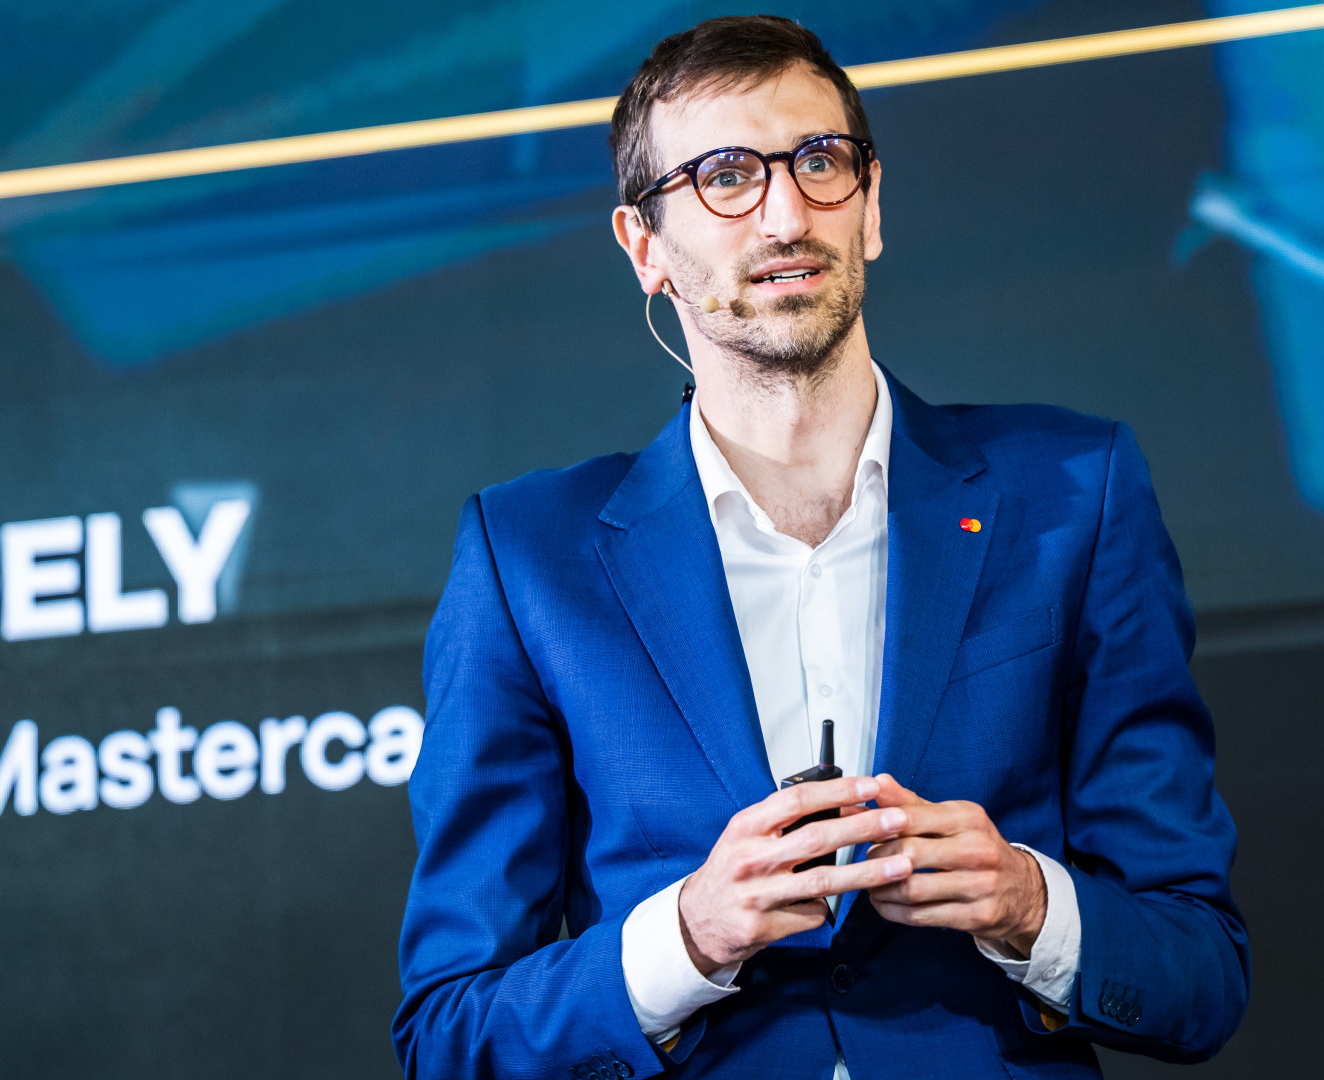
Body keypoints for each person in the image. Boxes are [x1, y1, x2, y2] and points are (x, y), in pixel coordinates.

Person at [392, 15, 1248, 1079]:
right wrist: (688, 937)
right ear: (644, 246)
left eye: (821, 161)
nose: (788, 213)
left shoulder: (1074, 493)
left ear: (871, 204)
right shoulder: (528, 560)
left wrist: (1031, 904)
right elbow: (450, 1035)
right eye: (725, 178)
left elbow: (1201, 973)